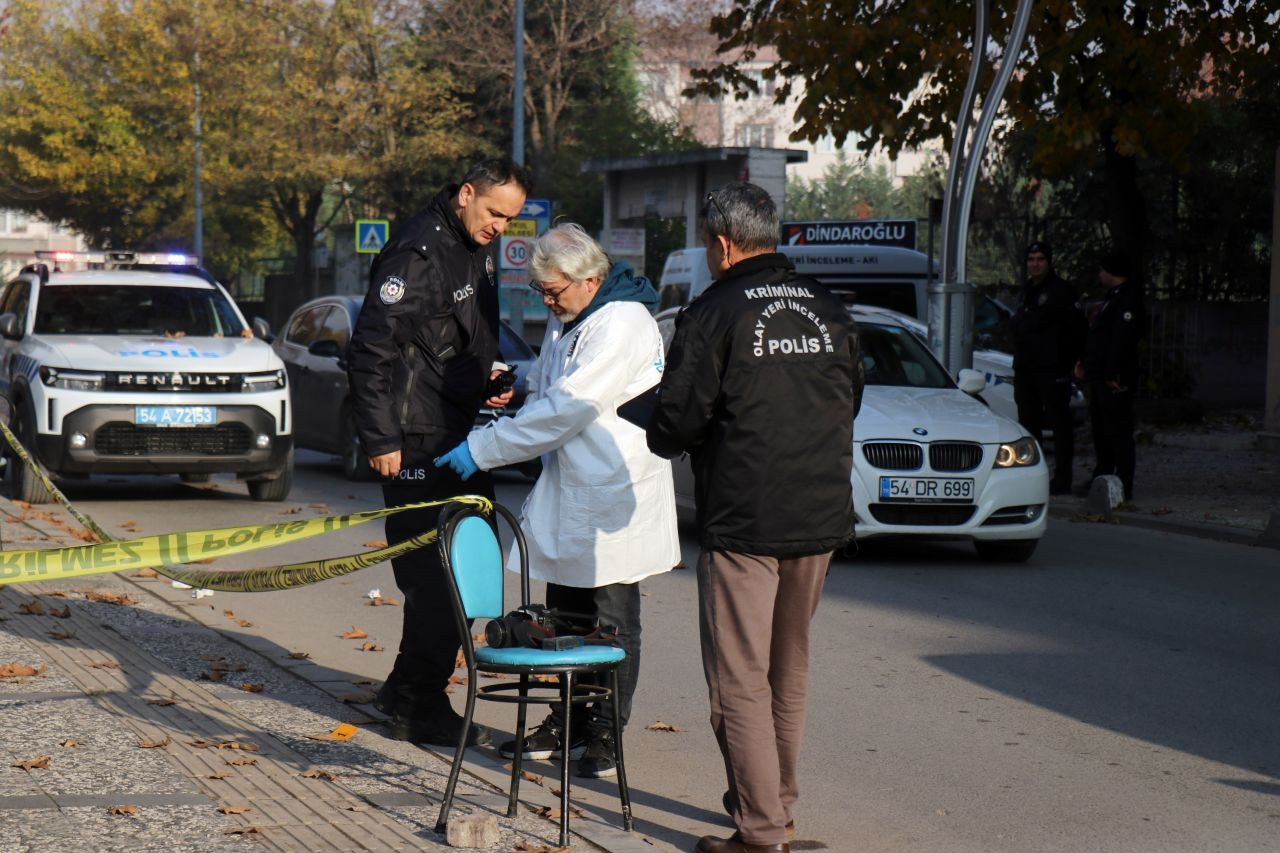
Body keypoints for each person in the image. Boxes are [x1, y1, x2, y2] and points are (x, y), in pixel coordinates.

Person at [645, 182, 863, 853]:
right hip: (819, 511)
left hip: (743, 516)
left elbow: (676, 422)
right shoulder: (828, 308)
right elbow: (850, 397)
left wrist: (657, 423)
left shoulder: (714, 311)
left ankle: (761, 831)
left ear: (721, 242)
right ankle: (777, 807)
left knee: (738, 677)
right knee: (787, 667)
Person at [435, 223, 679, 779]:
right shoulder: (574, 314)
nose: (548, 302)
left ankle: (605, 736)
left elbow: (569, 406)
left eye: (554, 292)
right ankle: (566, 721)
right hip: (573, 492)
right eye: (541, 293)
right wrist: (519, 383)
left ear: (590, 279)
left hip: (614, 495)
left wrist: (484, 446)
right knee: (565, 619)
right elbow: (552, 380)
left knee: (612, 625)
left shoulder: (621, 323)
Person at [346, 157, 531, 747]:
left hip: (455, 432)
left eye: (510, 219)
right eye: (494, 212)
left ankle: (404, 688)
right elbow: (371, 350)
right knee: (440, 578)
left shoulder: (468, 244)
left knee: (465, 567)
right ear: (466, 194)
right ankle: (419, 706)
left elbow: (451, 338)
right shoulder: (416, 253)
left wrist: (488, 376)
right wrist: (380, 439)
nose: (500, 226)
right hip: (415, 439)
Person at [1009, 240, 1086, 494]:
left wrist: (1073, 361)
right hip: (1026, 369)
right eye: (1031, 260)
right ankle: (1033, 477)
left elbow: (1077, 329)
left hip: (1052, 369)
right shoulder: (1026, 290)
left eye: (1040, 259)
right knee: (1028, 425)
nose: (1035, 264)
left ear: (1049, 261)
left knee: (1059, 424)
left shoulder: (1061, 290)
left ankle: (1062, 479)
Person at [1075, 250, 1145, 501]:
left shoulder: (1127, 300)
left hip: (1114, 378)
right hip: (1101, 375)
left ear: (1113, 272)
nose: (1100, 274)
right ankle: (1102, 479)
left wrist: (1112, 372)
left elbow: (1122, 340)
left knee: (1118, 431)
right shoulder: (1113, 297)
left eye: (1103, 269)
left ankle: (1123, 483)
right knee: (1102, 430)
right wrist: (1088, 363)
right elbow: (1101, 337)